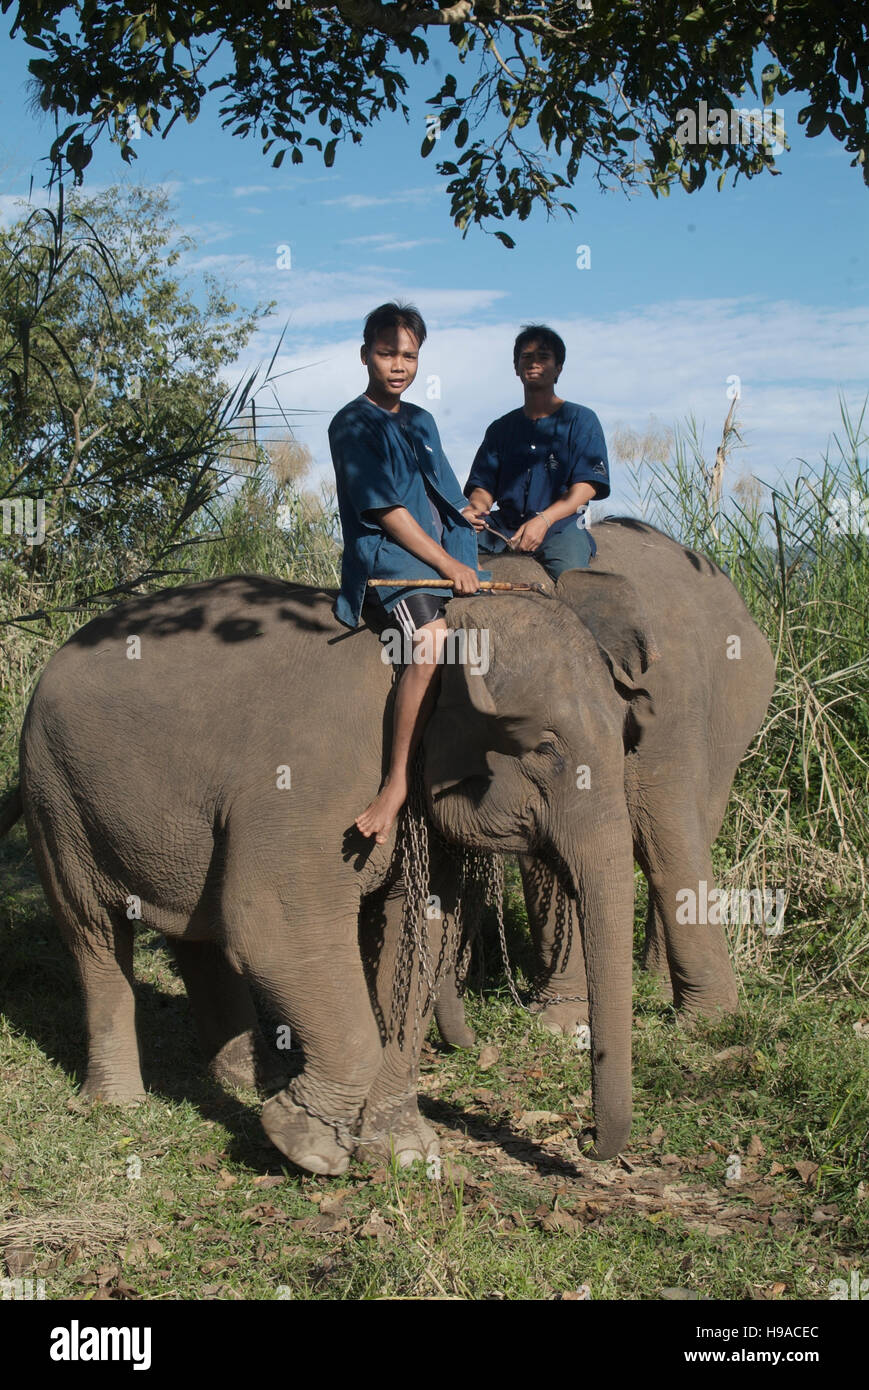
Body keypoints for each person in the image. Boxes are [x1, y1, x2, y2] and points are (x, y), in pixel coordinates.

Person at [329, 302, 487, 844]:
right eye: (387, 353)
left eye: (410, 356)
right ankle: (396, 782)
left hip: (445, 558)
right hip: (394, 566)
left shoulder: (422, 420)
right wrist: (446, 564)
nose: (399, 365)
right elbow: (389, 515)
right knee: (431, 643)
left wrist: (469, 522)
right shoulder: (351, 424)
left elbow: (445, 492)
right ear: (365, 355)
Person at [463, 324, 610, 579]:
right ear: (516, 367)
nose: (534, 363)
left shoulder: (582, 420)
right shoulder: (500, 429)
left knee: (573, 581)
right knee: (450, 545)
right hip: (503, 526)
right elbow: (482, 486)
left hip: (561, 526)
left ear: (558, 368)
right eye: (526, 357)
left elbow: (587, 486)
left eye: (543, 357)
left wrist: (544, 520)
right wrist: (475, 510)